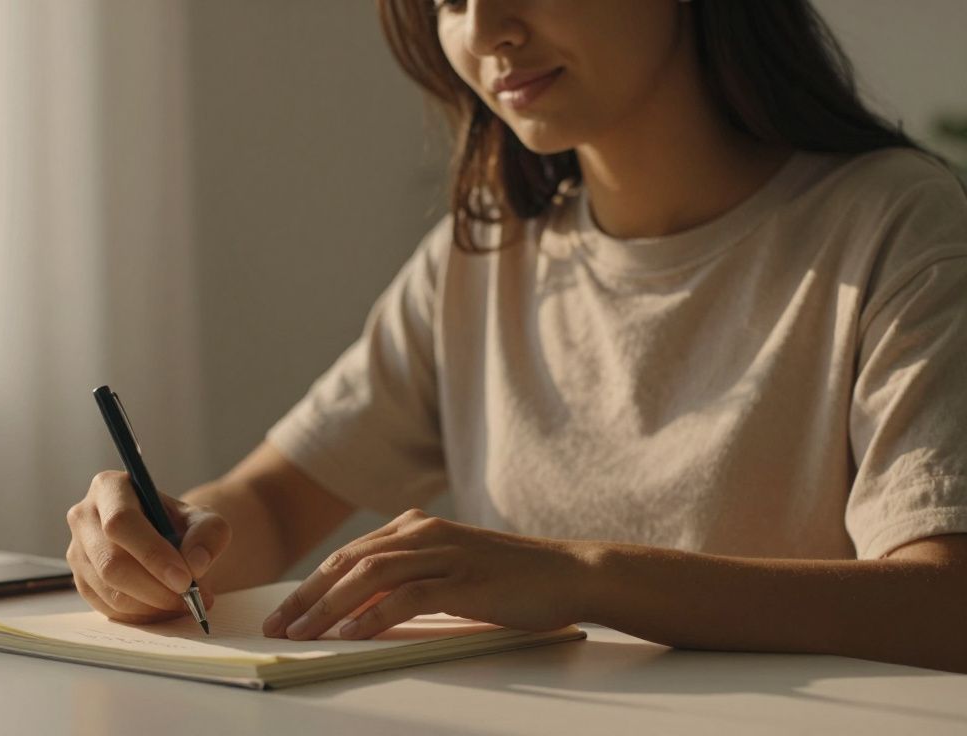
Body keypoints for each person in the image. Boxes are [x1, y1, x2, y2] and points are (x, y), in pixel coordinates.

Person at [66, 0, 967, 673]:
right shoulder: (485, 250)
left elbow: (945, 602)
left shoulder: (894, 224)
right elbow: (269, 504)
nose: (486, 28)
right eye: (447, 0)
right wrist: (159, 538)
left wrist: (584, 575)